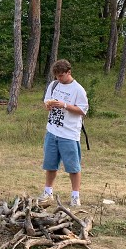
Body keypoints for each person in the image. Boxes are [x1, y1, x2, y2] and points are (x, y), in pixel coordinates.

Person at [38, 59, 89, 207]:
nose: (59, 78)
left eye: (61, 75)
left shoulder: (78, 89)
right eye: (56, 76)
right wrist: (49, 105)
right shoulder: (54, 85)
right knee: (50, 164)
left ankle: (75, 196)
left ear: (69, 72)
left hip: (69, 134)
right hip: (52, 131)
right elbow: (46, 101)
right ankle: (48, 192)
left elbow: (83, 110)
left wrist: (64, 105)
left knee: (73, 167)